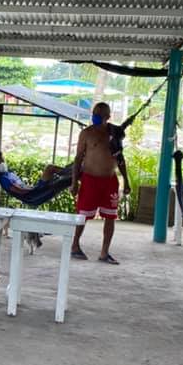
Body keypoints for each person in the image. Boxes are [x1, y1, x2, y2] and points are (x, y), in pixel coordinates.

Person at [70, 102, 131, 264]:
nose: (95, 117)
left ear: (107, 117)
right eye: (94, 113)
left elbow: (120, 159)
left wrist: (126, 181)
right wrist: (74, 182)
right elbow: (78, 159)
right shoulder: (86, 133)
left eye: (99, 114)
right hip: (90, 179)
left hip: (110, 181)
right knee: (82, 215)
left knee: (110, 216)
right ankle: (75, 245)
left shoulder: (114, 133)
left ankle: (104, 252)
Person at [0, 151, 64, 197]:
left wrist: (32, 187)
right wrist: (33, 189)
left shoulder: (10, 174)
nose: (2, 164)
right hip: (34, 194)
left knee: (53, 173)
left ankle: (68, 174)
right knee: (50, 168)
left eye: (3, 161)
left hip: (35, 190)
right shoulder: (4, 178)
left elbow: (22, 185)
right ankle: (68, 173)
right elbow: (19, 190)